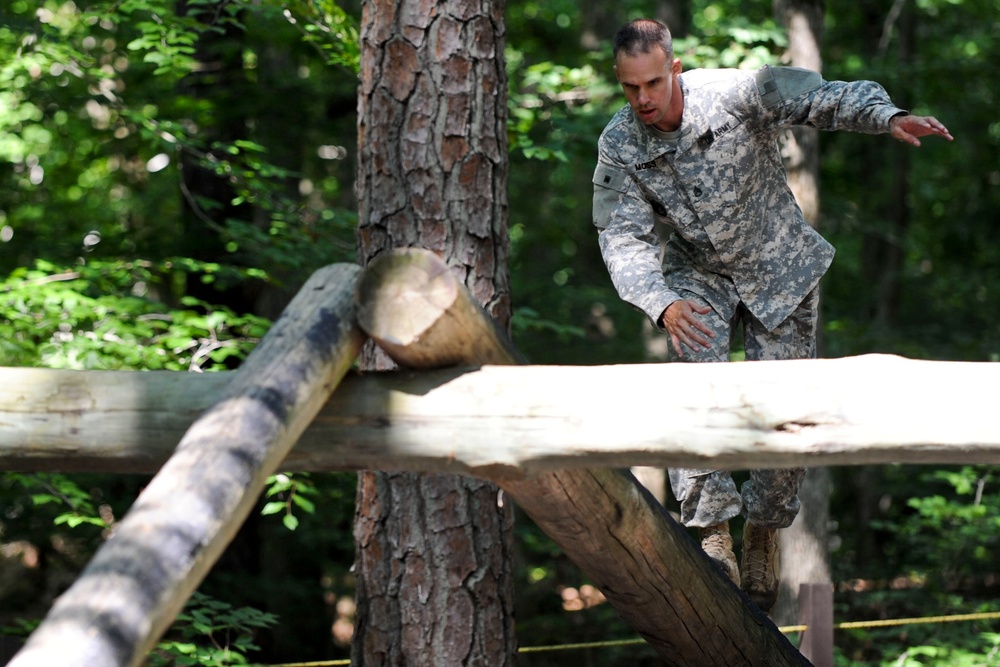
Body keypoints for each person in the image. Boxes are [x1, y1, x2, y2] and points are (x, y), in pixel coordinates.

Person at [592, 18, 952, 612]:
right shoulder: (620, 142)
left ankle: (763, 528)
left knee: (787, 416)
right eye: (630, 89)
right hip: (696, 278)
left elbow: (820, 95)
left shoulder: (738, 90)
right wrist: (660, 302)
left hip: (777, 264)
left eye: (653, 83)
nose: (644, 100)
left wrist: (886, 115)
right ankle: (711, 531)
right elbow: (621, 234)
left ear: (674, 68)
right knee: (696, 396)